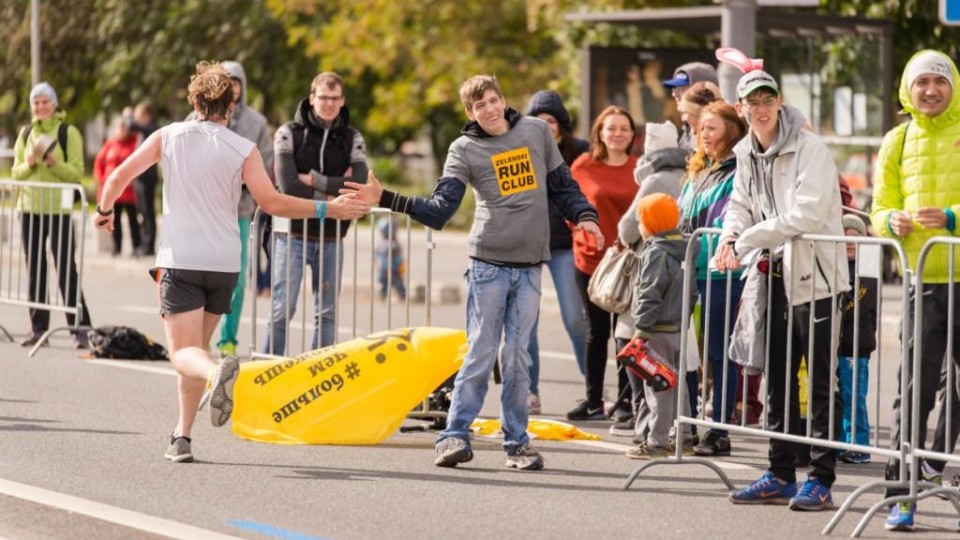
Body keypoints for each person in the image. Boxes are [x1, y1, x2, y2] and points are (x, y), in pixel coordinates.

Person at [93, 61, 369, 463]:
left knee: (183, 355)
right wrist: (330, 209)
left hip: (182, 259)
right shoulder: (244, 148)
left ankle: (215, 374)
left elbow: (117, 176)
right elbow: (273, 202)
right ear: (230, 105)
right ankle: (182, 436)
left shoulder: (168, 135)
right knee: (196, 350)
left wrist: (104, 209)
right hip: (224, 263)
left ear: (194, 101)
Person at [347, 74, 602, 471]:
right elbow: (440, 210)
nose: (489, 108)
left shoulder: (536, 131)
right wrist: (387, 198)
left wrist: (585, 216)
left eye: (493, 99)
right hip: (488, 264)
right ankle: (452, 436)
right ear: (470, 112)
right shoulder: (463, 149)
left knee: (518, 359)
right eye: (479, 105)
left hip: (530, 266)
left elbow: (562, 186)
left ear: (503, 100)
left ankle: (517, 443)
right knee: (482, 352)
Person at [716, 69, 849, 511]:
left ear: (779, 102)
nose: (760, 108)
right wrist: (727, 236)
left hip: (817, 279)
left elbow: (806, 215)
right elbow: (739, 204)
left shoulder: (810, 148)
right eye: (752, 101)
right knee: (777, 380)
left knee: (821, 381)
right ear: (741, 109)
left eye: (767, 98)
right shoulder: (745, 152)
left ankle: (821, 478)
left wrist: (747, 238)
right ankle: (779, 472)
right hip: (771, 276)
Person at [870, 50, 960, 531]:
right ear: (908, 88)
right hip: (920, 280)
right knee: (913, 389)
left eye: (939, 82)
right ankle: (900, 494)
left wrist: (952, 219)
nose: (931, 90)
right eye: (922, 82)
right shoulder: (897, 139)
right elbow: (879, 206)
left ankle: (934, 462)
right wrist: (891, 222)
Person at [263, 71, 369, 355]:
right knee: (282, 309)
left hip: (332, 238)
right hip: (291, 235)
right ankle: (266, 369)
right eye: (323, 97)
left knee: (328, 313)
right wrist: (335, 192)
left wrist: (314, 180)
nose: (329, 104)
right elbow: (288, 185)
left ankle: (317, 373)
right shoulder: (288, 133)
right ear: (312, 99)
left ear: (342, 100)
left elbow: (359, 184)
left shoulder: (352, 137)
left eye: (335, 99)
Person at [186, 61, 274, 358]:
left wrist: (242, 182)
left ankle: (228, 338)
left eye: (236, 82)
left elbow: (265, 162)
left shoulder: (257, 123)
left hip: (239, 211)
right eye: (226, 81)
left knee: (236, 280)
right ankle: (198, 338)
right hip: (204, 212)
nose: (232, 88)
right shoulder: (193, 119)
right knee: (199, 276)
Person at [677, 101, 748, 457]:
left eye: (712, 129)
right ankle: (687, 423)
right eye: (701, 128)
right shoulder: (698, 169)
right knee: (686, 352)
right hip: (688, 267)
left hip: (720, 269)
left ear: (732, 133)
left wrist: (698, 245)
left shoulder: (737, 171)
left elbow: (724, 223)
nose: (703, 135)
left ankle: (720, 430)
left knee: (719, 352)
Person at [612, 121, 687, 440]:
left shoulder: (655, 180)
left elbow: (629, 228)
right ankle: (679, 432)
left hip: (650, 309)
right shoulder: (689, 175)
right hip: (678, 311)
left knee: (646, 369)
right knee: (676, 375)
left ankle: (649, 434)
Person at [566, 106, 639, 423]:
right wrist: (581, 230)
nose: (618, 134)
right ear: (600, 132)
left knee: (626, 333)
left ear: (632, 134)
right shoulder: (584, 165)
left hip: (630, 263)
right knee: (596, 332)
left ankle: (625, 402)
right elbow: (570, 205)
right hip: (591, 261)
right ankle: (594, 400)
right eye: (611, 128)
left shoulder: (640, 168)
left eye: (624, 128)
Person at [523, 90, 590, 415]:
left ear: (560, 124)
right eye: (537, 120)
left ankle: (592, 389)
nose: (544, 126)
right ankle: (529, 391)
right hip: (527, 244)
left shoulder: (579, 152)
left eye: (549, 120)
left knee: (576, 318)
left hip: (566, 245)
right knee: (526, 322)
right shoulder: (518, 147)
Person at [11, 82, 93, 349]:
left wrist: (54, 164)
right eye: (36, 102)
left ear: (55, 104)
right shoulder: (25, 133)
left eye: (45, 101)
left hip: (58, 210)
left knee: (66, 269)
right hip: (30, 209)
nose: (41, 106)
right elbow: (15, 173)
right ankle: (38, 329)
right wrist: (31, 162)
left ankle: (79, 328)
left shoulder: (69, 133)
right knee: (35, 269)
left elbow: (76, 172)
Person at [622, 193, 689, 459]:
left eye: (641, 220)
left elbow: (650, 292)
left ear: (651, 223)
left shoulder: (655, 252)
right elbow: (692, 292)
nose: (639, 226)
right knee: (679, 385)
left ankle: (656, 443)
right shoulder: (686, 248)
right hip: (678, 327)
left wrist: (641, 328)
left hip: (657, 329)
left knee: (658, 388)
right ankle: (685, 437)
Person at [835, 214, 877, 466]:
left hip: (856, 343)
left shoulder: (868, 267)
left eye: (855, 239)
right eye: (845, 238)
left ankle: (859, 443)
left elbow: (858, 299)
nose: (850, 244)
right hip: (837, 342)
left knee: (854, 395)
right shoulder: (836, 264)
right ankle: (842, 441)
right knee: (839, 394)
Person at [94, 115, 141, 256]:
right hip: (113, 191)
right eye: (119, 127)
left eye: (124, 127)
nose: (121, 130)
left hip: (128, 190)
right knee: (115, 220)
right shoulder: (110, 143)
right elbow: (98, 162)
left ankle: (136, 246)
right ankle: (116, 247)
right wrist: (102, 179)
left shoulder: (133, 142)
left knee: (133, 219)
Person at [662, 62, 719, 151]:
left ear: (704, 90)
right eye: (674, 88)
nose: (674, 94)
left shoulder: (722, 125)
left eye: (682, 88)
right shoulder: (688, 127)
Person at [129, 101, 159, 257]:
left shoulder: (152, 128)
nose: (136, 119)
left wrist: (128, 117)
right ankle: (142, 243)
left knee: (148, 211)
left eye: (139, 115)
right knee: (141, 210)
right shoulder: (142, 131)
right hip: (139, 177)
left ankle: (149, 245)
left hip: (148, 177)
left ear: (147, 116)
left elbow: (132, 126)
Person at [375, 216, 407, 302]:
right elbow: (380, 257)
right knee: (386, 284)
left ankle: (402, 297)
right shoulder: (387, 244)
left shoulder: (391, 243)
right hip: (387, 269)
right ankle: (383, 297)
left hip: (394, 269)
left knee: (398, 284)